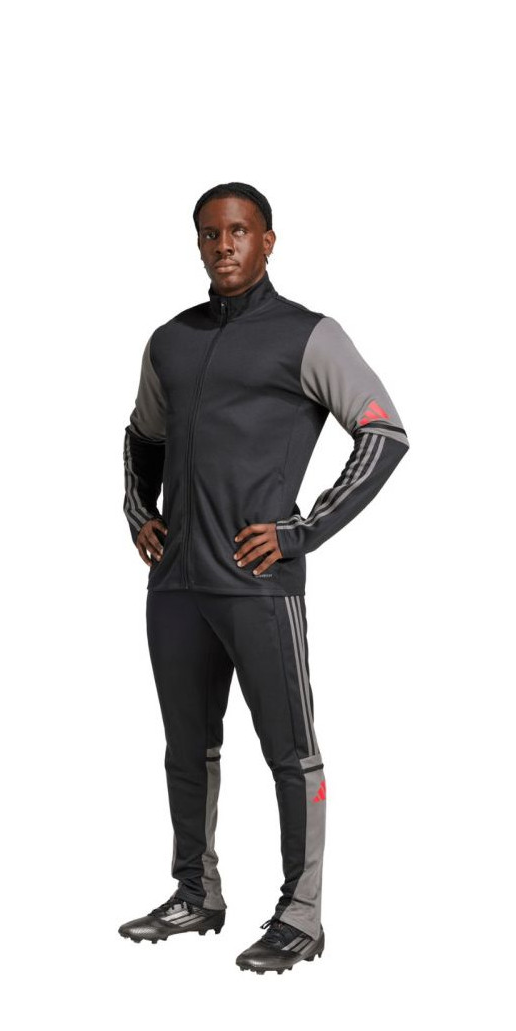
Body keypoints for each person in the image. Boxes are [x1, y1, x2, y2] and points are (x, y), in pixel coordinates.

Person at [119, 182, 410, 975]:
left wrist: (300, 531)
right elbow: (142, 436)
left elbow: (383, 433)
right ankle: (195, 894)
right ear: (199, 243)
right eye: (211, 233)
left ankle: (301, 917)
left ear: (268, 240)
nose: (225, 245)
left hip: (259, 586)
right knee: (187, 749)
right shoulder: (170, 341)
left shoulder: (308, 335)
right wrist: (138, 513)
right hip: (176, 589)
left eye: (240, 231)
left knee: (291, 751)